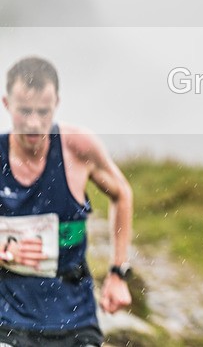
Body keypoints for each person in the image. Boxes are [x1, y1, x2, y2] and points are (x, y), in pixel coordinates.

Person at [0, 57, 134, 347]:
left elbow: (122, 194)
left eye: (43, 112)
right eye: (24, 111)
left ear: (56, 103)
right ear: (7, 104)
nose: (34, 123)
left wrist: (117, 273)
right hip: (8, 313)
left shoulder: (78, 147)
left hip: (73, 312)